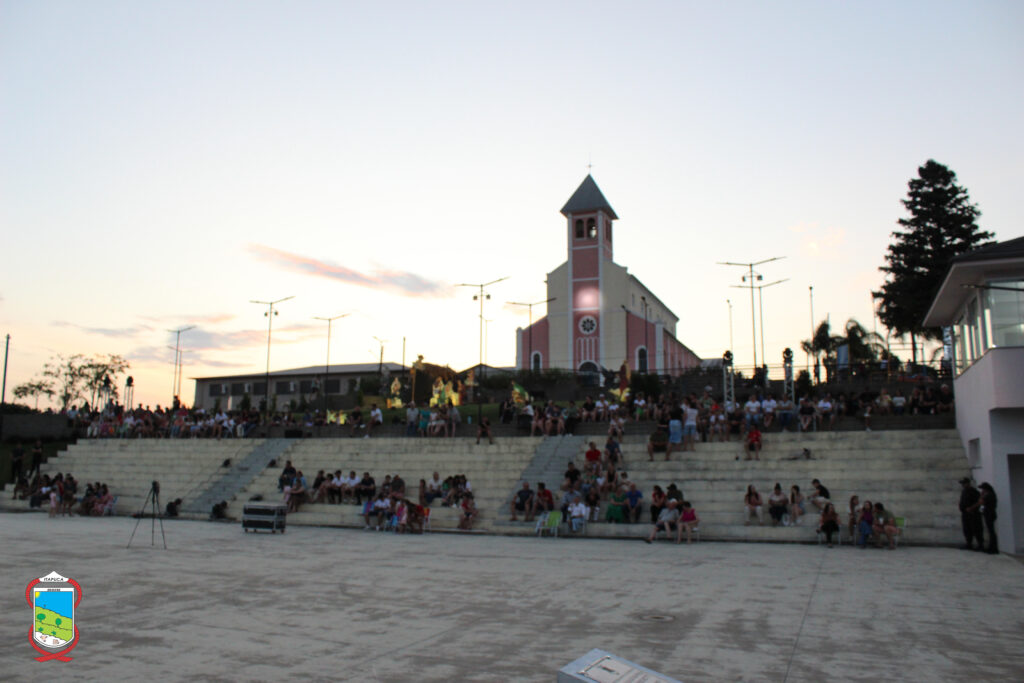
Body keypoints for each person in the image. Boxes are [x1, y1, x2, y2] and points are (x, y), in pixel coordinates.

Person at [958, 478, 984, 550]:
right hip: (965, 514)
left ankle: (980, 545)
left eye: (964, 483)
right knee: (967, 529)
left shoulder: (974, 492)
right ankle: (969, 544)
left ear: (968, 483)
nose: (963, 485)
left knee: (976, 529)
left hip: (973, 514)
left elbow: (979, 503)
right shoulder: (964, 491)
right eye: (962, 483)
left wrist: (971, 508)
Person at [978, 482, 998, 554]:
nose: (982, 490)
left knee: (991, 531)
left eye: (983, 489)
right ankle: (991, 547)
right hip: (989, 514)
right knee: (990, 531)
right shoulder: (991, 494)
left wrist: (981, 496)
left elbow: (981, 502)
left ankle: (993, 548)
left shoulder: (989, 495)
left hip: (989, 514)